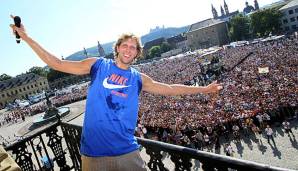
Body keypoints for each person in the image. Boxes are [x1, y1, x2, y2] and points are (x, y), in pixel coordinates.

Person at [10, 15, 223, 171]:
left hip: (127, 152)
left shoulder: (138, 78)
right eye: (125, 45)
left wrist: (204, 89)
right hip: (93, 154)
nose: (129, 49)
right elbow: (55, 63)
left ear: (137, 53)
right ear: (118, 48)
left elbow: (170, 89)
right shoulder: (98, 65)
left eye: (134, 47)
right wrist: (26, 37)